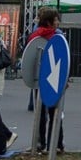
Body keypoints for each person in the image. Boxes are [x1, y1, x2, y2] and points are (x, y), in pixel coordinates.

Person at [26, 8, 64, 152]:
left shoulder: (34, 36)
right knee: (55, 113)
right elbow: (62, 57)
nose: (58, 22)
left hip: (38, 79)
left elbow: (29, 57)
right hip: (53, 78)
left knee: (40, 113)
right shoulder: (57, 36)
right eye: (56, 20)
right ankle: (56, 144)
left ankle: (39, 143)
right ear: (49, 22)